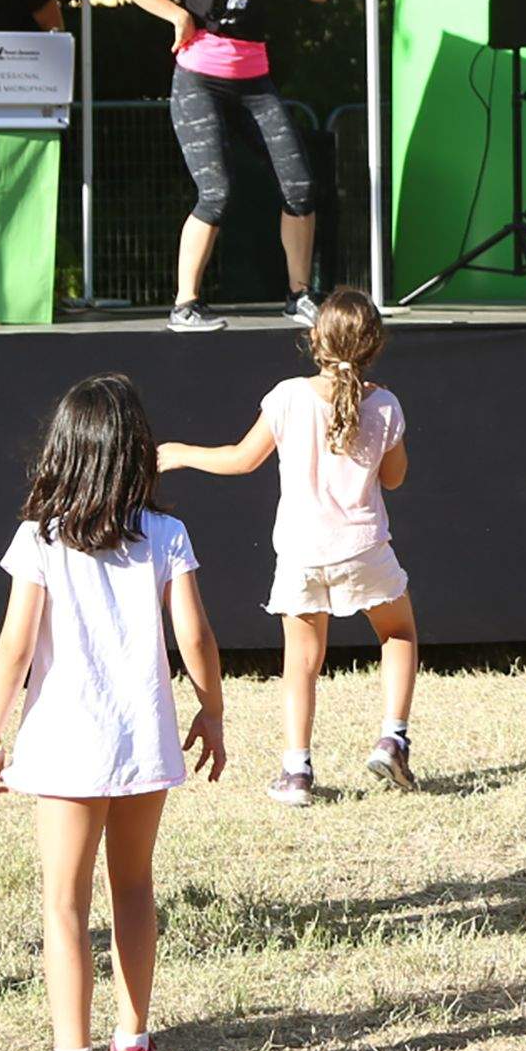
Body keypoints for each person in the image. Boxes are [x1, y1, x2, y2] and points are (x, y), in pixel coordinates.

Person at [0, 375, 226, 1051]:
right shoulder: (167, 534)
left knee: (64, 905)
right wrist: (212, 709)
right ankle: (134, 1045)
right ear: (137, 453)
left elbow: (14, 644)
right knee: (135, 889)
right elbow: (197, 636)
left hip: (66, 746)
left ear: (63, 451)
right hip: (142, 738)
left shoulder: (42, 537)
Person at [160, 286, 420, 805]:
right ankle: (393, 738)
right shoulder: (385, 405)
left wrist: (182, 452)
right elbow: (394, 479)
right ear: (375, 345)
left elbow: (240, 459)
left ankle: (296, 772)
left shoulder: (286, 396)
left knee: (301, 659)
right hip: (364, 547)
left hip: (302, 552)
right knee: (399, 634)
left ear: (313, 340)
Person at [112, 0, 340, 333]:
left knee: (300, 184)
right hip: (200, 80)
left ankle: (300, 296)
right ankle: (184, 306)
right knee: (215, 192)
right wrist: (176, 15)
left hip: (255, 80)